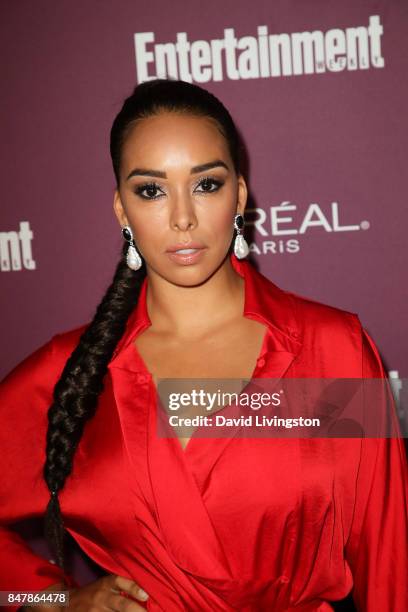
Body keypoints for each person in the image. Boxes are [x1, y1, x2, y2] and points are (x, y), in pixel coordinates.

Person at [0, 78, 407, 612]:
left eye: (206, 184)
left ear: (239, 194)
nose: (183, 217)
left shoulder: (332, 349)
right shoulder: (67, 372)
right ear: (122, 209)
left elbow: (386, 561)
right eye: (150, 190)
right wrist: (50, 601)